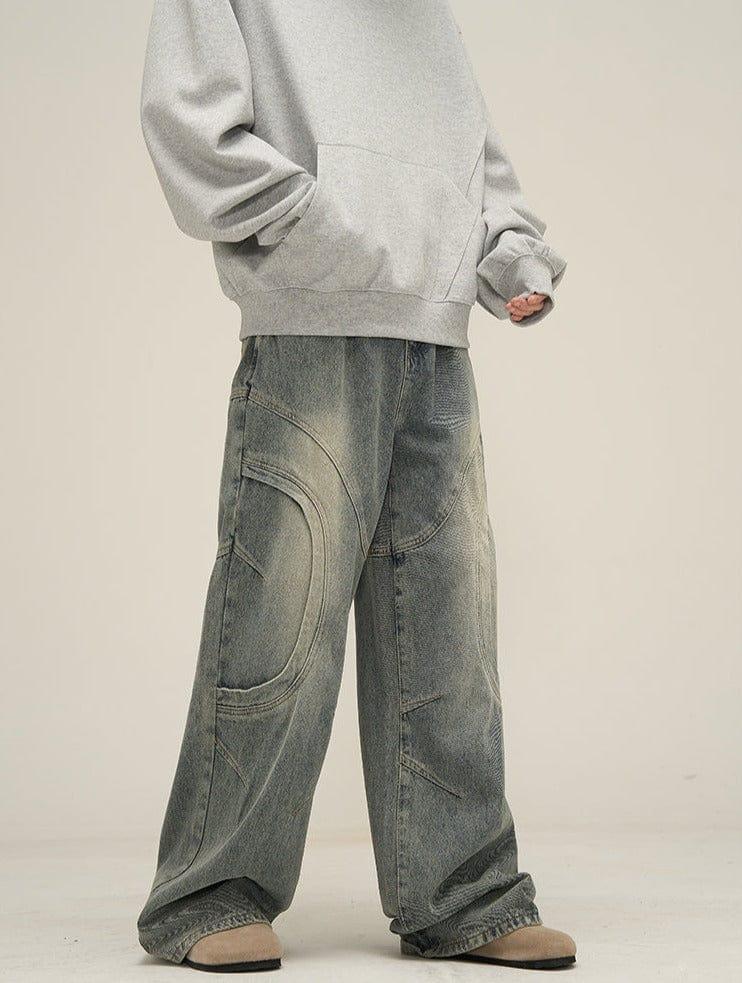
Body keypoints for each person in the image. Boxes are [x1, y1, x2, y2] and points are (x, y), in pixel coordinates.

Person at [136, 0, 575, 973]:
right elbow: (188, 123)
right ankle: (209, 893)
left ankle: (464, 895)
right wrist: (319, 231)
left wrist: (509, 258)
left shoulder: (425, 16)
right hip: (310, 330)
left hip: (436, 342)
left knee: (450, 639)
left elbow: (476, 166)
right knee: (279, 623)